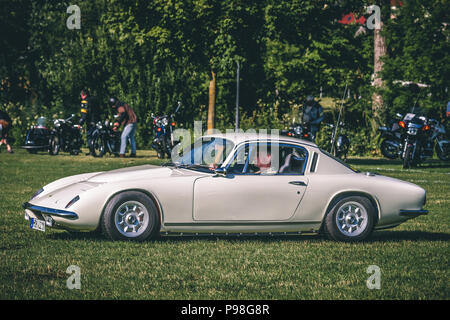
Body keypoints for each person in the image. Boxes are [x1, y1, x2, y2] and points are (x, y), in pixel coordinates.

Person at [79, 89, 101, 156]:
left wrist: (81, 123)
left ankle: (92, 151)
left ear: (83, 95)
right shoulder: (95, 99)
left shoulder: (85, 101)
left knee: (89, 136)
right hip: (97, 120)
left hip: (90, 121)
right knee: (97, 134)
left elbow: (84, 114)